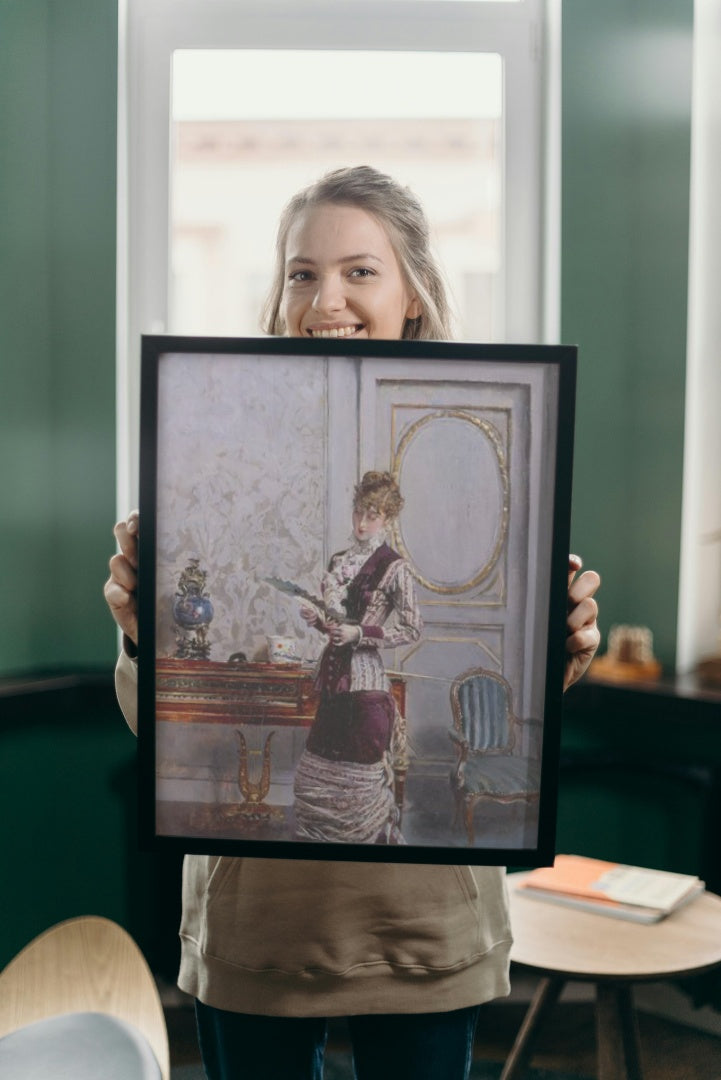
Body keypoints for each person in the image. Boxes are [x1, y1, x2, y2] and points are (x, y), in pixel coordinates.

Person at [105, 166, 601, 1080]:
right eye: (301, 272)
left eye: (359, 271)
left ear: (412, 292)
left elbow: (405, 634)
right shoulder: (199, 434)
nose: (324, 297)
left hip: (422, 928)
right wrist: (142, 636)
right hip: (257, 930)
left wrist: (555, 652)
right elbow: (154, 719)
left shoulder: (408, 554)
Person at [295, 470, 422, 846]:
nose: (363, 523)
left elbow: (413, 628)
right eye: (358, 513)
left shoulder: (394, 567)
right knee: (314, 783)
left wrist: (362, 633)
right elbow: (337, 629)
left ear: (387, 518)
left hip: (366, 690)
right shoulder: (339, 561)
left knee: (357, 790)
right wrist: (319, 621)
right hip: (333, 686)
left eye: (373, 515)